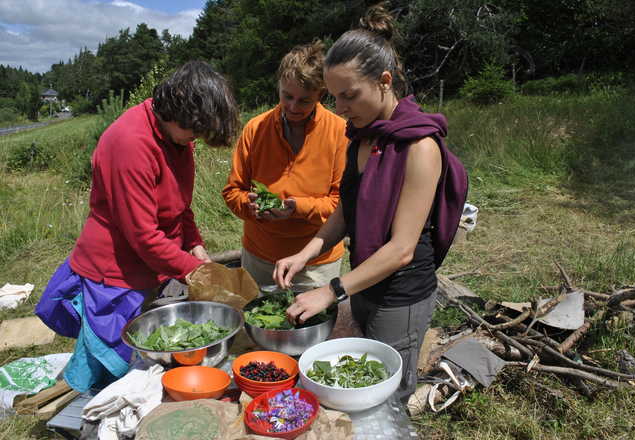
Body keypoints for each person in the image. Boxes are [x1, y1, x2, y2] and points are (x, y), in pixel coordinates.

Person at [273, 5, 468, 403]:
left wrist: (331, 291)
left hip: (400, 294)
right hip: (363, 280)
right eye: (334, 97)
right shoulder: (361, 137)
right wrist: (305, 252)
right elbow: (346, 211)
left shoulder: (420, 147)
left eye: (349, 96)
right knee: (360, 382)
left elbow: (401, 250)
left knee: (387, 392)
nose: (340, 108)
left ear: (383, 81)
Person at [35, 61, 240, 392]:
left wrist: (195, 246)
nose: (196, 140)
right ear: (175, 107)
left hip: (153, 264)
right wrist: (195, 272)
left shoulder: (178, 135)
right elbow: (143, 237)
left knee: (139, 354)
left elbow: (180, 207)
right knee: (111, 362)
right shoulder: (129, 143)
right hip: (115, 272)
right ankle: (91, 410)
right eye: (194, 131)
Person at [222, 40, 349, 287]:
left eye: (304, 101)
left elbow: (341, 204)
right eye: (287, 96)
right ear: (279, 85)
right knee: (257, 321)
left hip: (316, 262)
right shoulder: (256, 129)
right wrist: (251, 207)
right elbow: (232, 191)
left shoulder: (339, 132)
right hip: (260, 256)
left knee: (310, 324)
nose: (292, 106)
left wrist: (296, 208)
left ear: (321, 94)